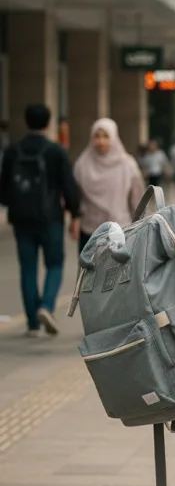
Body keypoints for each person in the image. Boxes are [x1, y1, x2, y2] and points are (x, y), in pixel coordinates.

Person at [0, 104, 81, 337]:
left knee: (27, 267)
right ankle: (46, 306)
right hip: (50, 217)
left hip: (21, 218)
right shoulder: (56, 151)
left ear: (26, 122)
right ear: (48, 123)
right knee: (54, 264)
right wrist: (74, 214)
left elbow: (3, 190)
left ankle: (32, 324)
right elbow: (68, 186)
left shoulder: (13, 150)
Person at [72, 119, 146, 253]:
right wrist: (75, 220)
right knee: (89, 272)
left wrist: (141, 227)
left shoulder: (127, 165)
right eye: (97, 136)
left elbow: (138, 199)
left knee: (117, 272)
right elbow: (75, 197)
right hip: (89, 231)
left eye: (106, 136)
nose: (101, 142)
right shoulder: (82, 164)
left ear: (114, 138)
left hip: (120, 230)